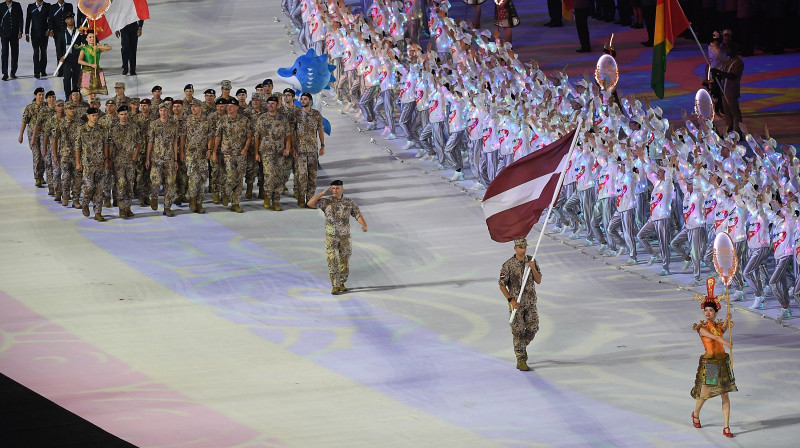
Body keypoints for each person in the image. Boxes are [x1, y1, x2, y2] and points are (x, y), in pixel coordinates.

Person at [690, 278, 736, 439]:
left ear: (716, 313)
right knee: (706, 393)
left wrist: (728, 320)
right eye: (706, 311)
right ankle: (695, 414)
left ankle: (726, 427)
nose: (708, 313)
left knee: (725, 394)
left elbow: (721, 331)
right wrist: (727, 343)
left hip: (722, 362)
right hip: (710, 364)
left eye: (711, 311)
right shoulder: (702, 329)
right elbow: (716, 338)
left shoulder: (717, 327)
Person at [307, 180, 367, 294]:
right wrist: (321, 194)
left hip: (345, 237)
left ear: (342, 189)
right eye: (333, 188)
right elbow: (310, 203)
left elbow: (357, 214)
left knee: (344, 260)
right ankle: (335, 285)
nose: (335, 190)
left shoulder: (349, 202)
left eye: (337, 188)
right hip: (331, 237)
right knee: (332, 259)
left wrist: (364, 224)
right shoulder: (326, 201)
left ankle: (342, 282)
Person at [498, 237, 542, 371]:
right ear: (515, 248)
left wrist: (533, 268)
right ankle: (520, 359)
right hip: (516, 304)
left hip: (530, 302)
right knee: (518, 332)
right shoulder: (508, 265)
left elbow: (538, 280)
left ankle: (522, 347)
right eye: (520, 247)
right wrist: (510, 300)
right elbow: (502, 285)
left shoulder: (531, 261)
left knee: (533, 327)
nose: (523, 249)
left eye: (524, 247)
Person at [213, 97, 252, 213]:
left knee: (239, 179)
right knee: (231, 176)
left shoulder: (244, 120)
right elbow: (217, 136)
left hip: (240, 153)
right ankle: (226, 192)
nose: (229, 108)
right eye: (228, 106)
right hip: (228, 153)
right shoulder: (223, 120)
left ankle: (235, 203)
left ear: (237, 108)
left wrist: (245, 149)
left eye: (232, 106)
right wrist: (214, 152)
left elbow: (249, 136)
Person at [254, 95, 292, 210]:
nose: (270, 106)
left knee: (279, 176)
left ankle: (276, 200)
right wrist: (256, 153)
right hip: (266, 152)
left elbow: (288, 135)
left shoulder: (283, 119)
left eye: (273, 104)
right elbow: (257, 136)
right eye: (269, 104)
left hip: (280, 152)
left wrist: (287, 148)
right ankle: (267, 197)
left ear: (277, 105)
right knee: (270, 175)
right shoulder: (262, 118)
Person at [106, 105, 142, 218]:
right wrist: (109, 159)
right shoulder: (114, 128)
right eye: (121, 114)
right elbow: (110, 145)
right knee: (120, 184)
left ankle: (128, 207)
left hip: (131, 161)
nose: (123, 116)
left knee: (130, 184)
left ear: (128, 114)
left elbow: (139, 142)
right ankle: (122, 208)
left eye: (125, 114)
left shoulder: (134, 127)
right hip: (118, 161)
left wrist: (136, 154)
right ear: (118, 115)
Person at [75, 107, 110, 221]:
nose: (95, 118)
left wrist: (106, 158)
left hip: (99, 163)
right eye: (93, 116)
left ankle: (97, 212)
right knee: (89, 187)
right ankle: (85, 203)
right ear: (88, 116)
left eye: (96, 115)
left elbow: (105, 144)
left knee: (99, 189)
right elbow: (78, 147)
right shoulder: (82, 130)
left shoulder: (102, 129)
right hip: (88, 164)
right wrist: (78, 162)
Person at [146, 103, 180, 217]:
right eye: (161, 110)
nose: (163, 112)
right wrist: (147, 158)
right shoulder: (154, 124)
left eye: (165, 110)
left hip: (169, 159)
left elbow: (175, 143)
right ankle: (154, 197)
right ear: (158, 111)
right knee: (155, 182)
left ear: (168, 111)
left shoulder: (173, 125)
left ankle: (167, 207)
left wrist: (176, 160)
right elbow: (150, 142)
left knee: (170, 183)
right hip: (156, 159)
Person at [181, 99, 212, 213]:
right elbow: (182, 137)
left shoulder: (206, 120)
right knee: (193, 178)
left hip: (203, 154)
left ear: (201, 107)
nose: (193, 108)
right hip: (191, 154)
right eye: (191, 106)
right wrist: (183, 152)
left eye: (195, 106)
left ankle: (200, 202)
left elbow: (210, 136)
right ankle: (192, 199)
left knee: (203, 178)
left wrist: (209, 149)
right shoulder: (187, 120)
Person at [293, 92, 324, 207]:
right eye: (301, 99)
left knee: (312, 176)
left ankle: (310, 199)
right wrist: (293, 148)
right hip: (300, 150)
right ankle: (301, 197)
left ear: (310, 101)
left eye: (305, 99)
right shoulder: (296, 115)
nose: (302, 101)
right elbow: (292, 132)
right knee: (301, 175)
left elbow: (320, 130)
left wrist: (323, 145)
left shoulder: (316, 115)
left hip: (312, 150)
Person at [19, 87, 47, 186]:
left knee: (44, 155)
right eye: (39, 95)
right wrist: (21, 135)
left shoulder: (46, 106)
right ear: (35, 95)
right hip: (33, 135)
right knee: (37, 155)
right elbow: (24, 121)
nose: (41, 97)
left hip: (44, 134)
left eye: (43, 95)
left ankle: (41, 175)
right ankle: (37, 177)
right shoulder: (30, 108)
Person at [77, 29, 110, 96]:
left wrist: (98, 46)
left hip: (97, 70)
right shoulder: (84, 49)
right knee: (88, 93)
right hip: (86, 72)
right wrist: (90, 65)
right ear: (86, 39)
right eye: (90, 37)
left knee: (96, 92)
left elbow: (109, 48)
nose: (92, 39)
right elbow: (79, 61)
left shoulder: (98, 48)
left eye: (93, 37)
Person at [57, 11, 82, 98]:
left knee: (76, 79)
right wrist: (60, 57)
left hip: (76, 58)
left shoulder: (79, 31)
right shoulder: (61, 33)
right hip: (66, 59)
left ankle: (75, 97)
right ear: (65, 21)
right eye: (68, 18)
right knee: (67, 78)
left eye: (72, 18)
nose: (70, 20)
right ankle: (68, 97)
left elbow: (83, 44)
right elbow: (59, 47)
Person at [46, 0, 73, 75]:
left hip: (67, 31)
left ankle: (68, 70)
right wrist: (50, 29)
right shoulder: (52, 7)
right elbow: (50, 19)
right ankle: (60, 70)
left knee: (68, 50)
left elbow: (71, 18)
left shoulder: (69, 5)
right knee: (59, 51)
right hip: (57, 33)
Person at [25, 0, 50, 78]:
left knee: (43, 52)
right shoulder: (30, 6)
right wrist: (26, 33)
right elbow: (28, 20)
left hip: (44, 33)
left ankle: (43, 70)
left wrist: (49, 29)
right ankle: (36, 72)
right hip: (34, 34)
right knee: (36, 52)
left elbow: (50, 19)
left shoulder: (47, 5)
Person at [0, 0, 23, 80]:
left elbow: (20, 18)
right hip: (4, 34)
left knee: (15, 52)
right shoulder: (1, 5)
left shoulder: (17, 5)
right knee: (4, 53)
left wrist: (20, 31)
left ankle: (13, 72)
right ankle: (5, 73)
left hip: (15, 33)